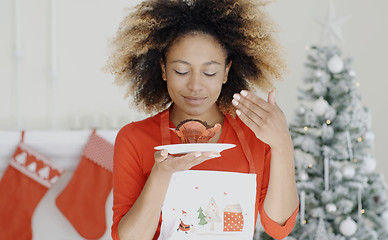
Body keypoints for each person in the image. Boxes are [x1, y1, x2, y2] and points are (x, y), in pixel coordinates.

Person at [105, 0, 299, 239]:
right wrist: (161, 175)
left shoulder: (256, 135)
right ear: (163, 69)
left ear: (227, 71)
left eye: (209, 72)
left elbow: (279, 227)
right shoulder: (134, 138)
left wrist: (282, 146)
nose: (195, 86)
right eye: (181, 71)